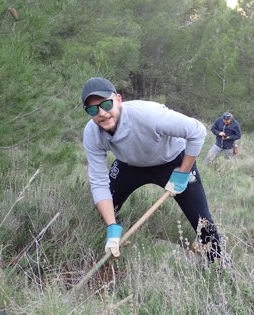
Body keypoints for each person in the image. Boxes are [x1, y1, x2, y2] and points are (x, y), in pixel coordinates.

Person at [81, 77, 222, 263]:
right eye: (92, 109)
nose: (101, 113)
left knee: (203, 222)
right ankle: (105, 250)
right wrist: (111, 226)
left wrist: (183, 171)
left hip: (172, 162)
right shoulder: (92, 133)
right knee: (104, 212)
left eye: (106, 104)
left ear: (118, 99)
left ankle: (220, 267)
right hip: (129, 165)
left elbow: (197, 131)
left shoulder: (148, 114)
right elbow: (98, 181)